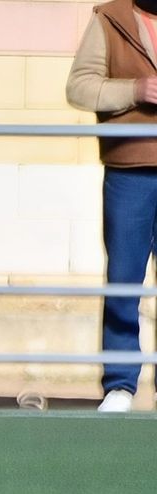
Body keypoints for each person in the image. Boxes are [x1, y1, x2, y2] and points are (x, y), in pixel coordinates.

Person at [67, 0, 157, 414]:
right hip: (128, 168)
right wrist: (134, 91)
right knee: (123, 280)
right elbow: (79, 87)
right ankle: (120, 385)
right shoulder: (110, 18)